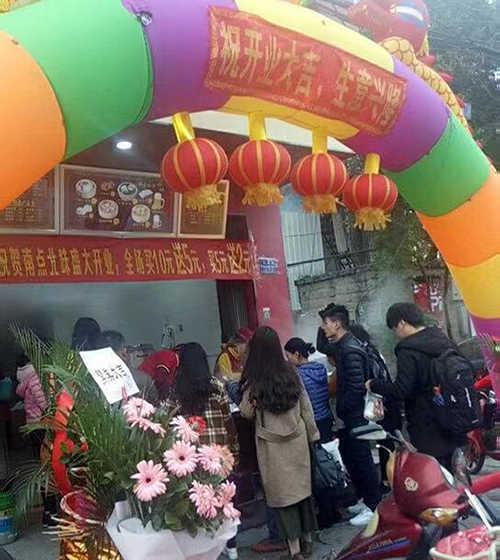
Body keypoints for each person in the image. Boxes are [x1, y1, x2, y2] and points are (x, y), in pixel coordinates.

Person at [240, 327, 319, 560]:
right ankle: (308, 541)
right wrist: (313, 435)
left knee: (283, 500)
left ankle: (294, 550)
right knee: (302, 493)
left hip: (272, 447)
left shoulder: (254, 379)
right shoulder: (291, 372)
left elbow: (245, 412)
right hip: (298, 441)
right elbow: (306, 407)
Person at [160, 343, 239, 559]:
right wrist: (234, 451)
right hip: (219, 457)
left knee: (200, 505)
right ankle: (232, 549)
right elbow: (228, 421)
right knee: (224, 502)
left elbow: (165, 420)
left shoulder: (177, 391)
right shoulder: (217, 387)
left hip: (192, 459)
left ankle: (206, 550)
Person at [367, 303, 463, 471]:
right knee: (451, 473)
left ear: (402, 322)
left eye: (394, 329)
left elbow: (401, 389)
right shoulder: (444, 340)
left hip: (426, 423)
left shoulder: (408, 350)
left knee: (433, 474)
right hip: (452, 416)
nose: (396, 334)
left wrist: (374, 385)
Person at [318, 305, 381, 527]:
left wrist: (344, 408)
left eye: (326, 323)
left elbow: (355, 387)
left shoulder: (350, 349)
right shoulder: (342, 345)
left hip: (355, 415)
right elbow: (322, 346)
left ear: (337, 324)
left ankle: (374, 506)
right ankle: (365, 500)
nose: (323, 327)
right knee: (353, 458)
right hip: (350, 415)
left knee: (362, 459)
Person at [349, 324, 402, 493]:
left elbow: (373, 380)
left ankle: (390, 482)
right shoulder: (373, 351)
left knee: (386, 444)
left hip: (381, 403)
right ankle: (390, 480)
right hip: (387, 402)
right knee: (387, 443)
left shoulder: (365, 355)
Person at [15, 354, 57, 526]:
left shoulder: (24, 376)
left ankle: (48, 512)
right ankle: (51, 513)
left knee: (41, 469)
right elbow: (45, 405)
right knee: (49, 469)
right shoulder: (35, 376)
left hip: (33, 426)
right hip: (42, 426)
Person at [284, 338, 332, 443]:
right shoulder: (321, 368)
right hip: (326, 418)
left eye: (288, 356)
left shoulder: (297, 375)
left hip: (311, 421)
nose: (287, 360)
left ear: (296, 354)